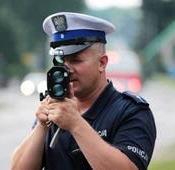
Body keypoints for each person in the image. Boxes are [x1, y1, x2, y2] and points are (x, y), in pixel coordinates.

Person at [11, 12, 156, 170]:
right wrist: (41, 125)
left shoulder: (131, 111)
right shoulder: (55, 108)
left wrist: (76, 124)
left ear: (102, 63)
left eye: (75, 60)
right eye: (60, 61)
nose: (66, 69)